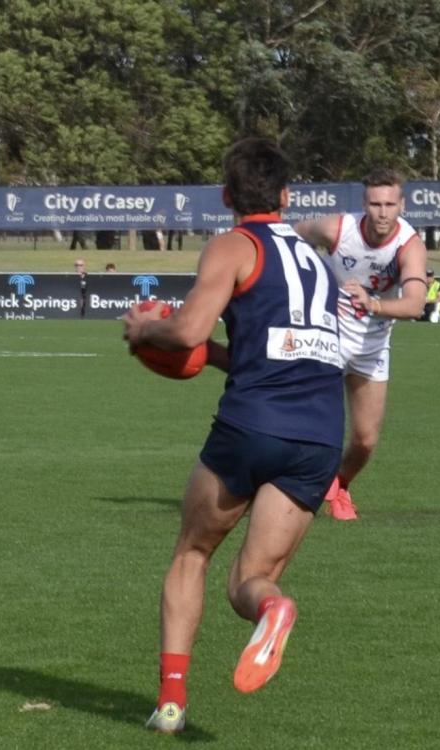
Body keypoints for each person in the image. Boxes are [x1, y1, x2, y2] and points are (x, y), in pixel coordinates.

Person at [123, 137, 344, 734]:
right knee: (250, 580)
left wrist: (145, 331)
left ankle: (172, 703)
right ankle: (273, 607)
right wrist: (208, 353)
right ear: (286, 196)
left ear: (226, 196)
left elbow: (188, 330)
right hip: (321, 435)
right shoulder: (317, 265)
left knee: (192, 553)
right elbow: (279, 353)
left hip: (253, 423)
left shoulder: (233, 244)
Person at [295, 168, 427, 521]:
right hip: (328, 338)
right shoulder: (336, 229)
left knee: (365, 441)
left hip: (373, 346)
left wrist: (373, 304)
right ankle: (280, 489)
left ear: (402, 205)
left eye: (390, 205)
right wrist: (310, 279)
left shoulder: (409, 245)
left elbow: (415, 305)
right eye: (375, 204)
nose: (383, 212)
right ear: (364, 204)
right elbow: (293, 236)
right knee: (312, 425)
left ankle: (339, 484)